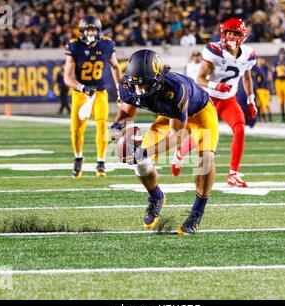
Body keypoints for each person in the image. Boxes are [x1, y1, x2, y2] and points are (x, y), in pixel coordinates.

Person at [110, 49, 218, 235]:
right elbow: (127, 113)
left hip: (200, 114)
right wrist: (116, 128)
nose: (139, 90)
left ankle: (197, 213)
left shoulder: (175, 89)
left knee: (206, 160)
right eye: (135, 84)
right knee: (140, 162)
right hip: (169, 116)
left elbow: (177, 135)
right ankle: (156, 197)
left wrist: (145, 151)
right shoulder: (129, 85)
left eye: (144, 84)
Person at [170, 18, 257, 188]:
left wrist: (250, 100)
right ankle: (180, 153)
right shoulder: (214, 50)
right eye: (228, 33)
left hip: (228, 99)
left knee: (240, 128)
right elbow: (200, 78)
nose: (231, 36)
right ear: (223, 33)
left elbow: (247, 78)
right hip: (208, 99)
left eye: (235, 33)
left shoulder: (248, 54)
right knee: (203, 133)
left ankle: (233, 175)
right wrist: (216, 85)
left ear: (242, 36)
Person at [64, 16, 122, 178]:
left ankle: (101, 162)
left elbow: (116, 67)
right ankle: (78, 158)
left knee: (102, 126)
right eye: (88, 29)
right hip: (80, 94)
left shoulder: (107, 44)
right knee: (76, 130)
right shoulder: (74, 46)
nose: (90, 32)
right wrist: (82, 87)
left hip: (99, 92)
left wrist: (120, 90)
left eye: (93, 29)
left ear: (98, 31)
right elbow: (67, 77)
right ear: (82, 31)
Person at [253, 57, 272, 122]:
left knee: (266, 104)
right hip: (257, 88)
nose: (260, 61)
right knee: (259, 105)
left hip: (264, 88)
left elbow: (268, 77)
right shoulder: (255, 68)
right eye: (259, 60)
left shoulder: (265, 68)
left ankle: (270, 118)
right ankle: (262, 118)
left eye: (261, 60)